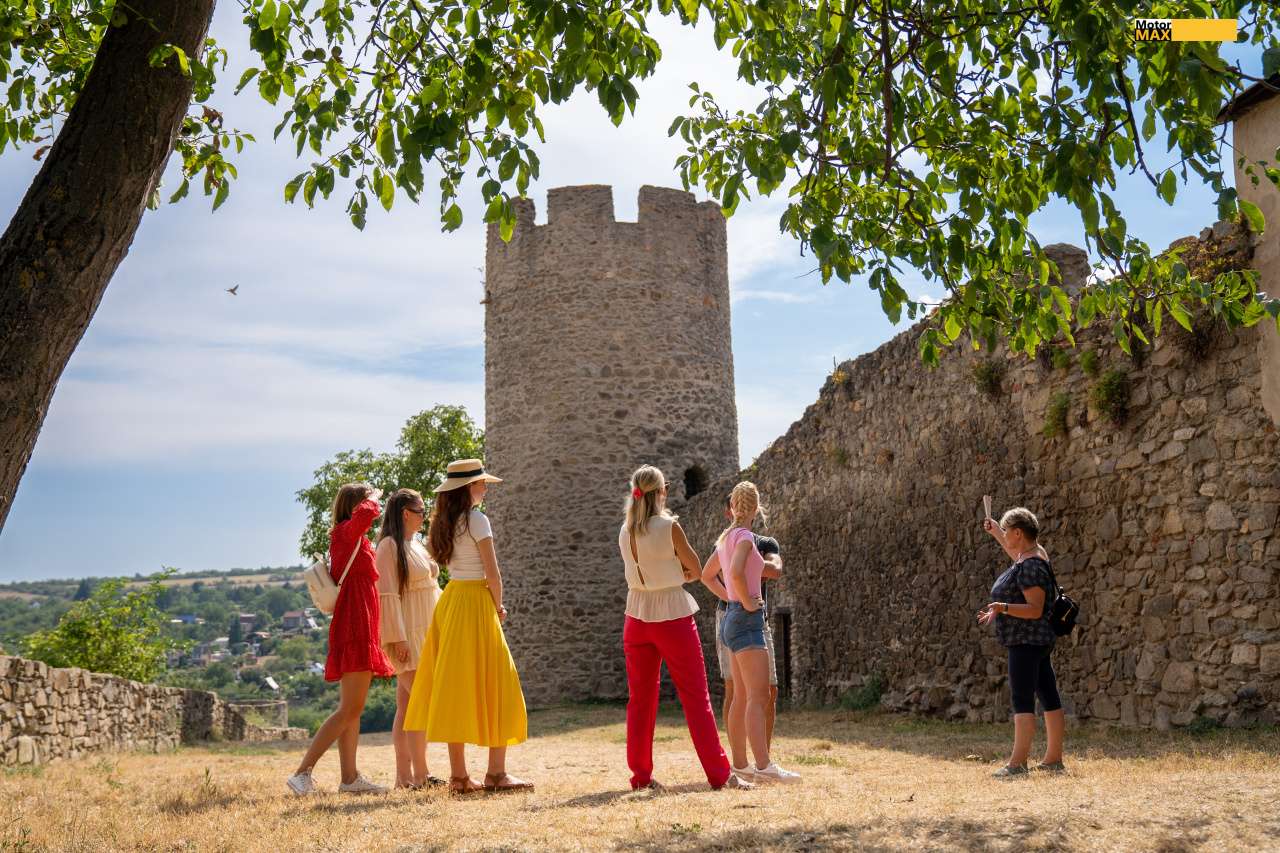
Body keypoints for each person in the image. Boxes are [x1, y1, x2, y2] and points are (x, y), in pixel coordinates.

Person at [404, 459, 533, 794]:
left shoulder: (444, 523)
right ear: (467, 489)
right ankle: (496, 773)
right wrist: (498, 605)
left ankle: (459, 776)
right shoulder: (477, 520)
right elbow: (492, 572)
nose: (485, 488)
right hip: (476, 601)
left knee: (453, 686)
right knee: (500, 682)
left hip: (452, 601)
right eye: (480, 483)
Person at [618, 465, 750, 792]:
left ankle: (641, 777)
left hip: (635, 618)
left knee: (640, 701)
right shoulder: (669, 527)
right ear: (661, 492)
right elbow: (694, 568)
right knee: (695, 698)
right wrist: (680, 575)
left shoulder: (625, 530)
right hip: (671, 616)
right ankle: (720, 774)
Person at [287, 484, 395, 795]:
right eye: (366, 501)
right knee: (349, 708)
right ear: (356, 505)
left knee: (353, 708)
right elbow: (368, 513)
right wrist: (373, 496)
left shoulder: (353, 538)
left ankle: (349, 778)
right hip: (355, 627)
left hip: (361, 626)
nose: (373, 505)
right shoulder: (344, 533)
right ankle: (302, 773)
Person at [701, 482, 800, 784]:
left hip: (732, 618)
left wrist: (732, 599)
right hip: (747, 619)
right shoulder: (744, 537)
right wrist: (744, 600)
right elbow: (733, 573)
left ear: (732, 507)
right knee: (757, 696)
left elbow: (708, 576)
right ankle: (764, 765)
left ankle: (741, 765)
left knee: (741, 695)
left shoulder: (725, 538)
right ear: (756, 508)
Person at [978, 506, 1066, 778]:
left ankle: (1017, 764)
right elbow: (1017, 555)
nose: (1005, 535)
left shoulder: (1030, 566)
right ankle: (1053, 759)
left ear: (1018, 532)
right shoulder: (1034, 556)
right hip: (1038, 640)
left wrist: (1002, 606)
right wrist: (996, 533)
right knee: (1048, 695)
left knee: (1022, 699)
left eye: (1007, 531)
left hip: (1026, 641)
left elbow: (1034, 608)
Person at [376, 488, 444, 789]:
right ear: (406, 513)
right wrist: (397, 639)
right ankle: (421, 775)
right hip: (407, 636)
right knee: (422, 703)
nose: (425, 516)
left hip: (428, 632)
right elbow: (387, 596)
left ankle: (403, 778)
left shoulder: (414, 544)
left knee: (406, 707)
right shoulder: (389, 547)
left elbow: (432, 588)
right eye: (420, 510)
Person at [714, 533, 782, 747]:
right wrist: (737, 598)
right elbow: (715, 575)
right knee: (734, 689)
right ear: (729, 511)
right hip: (730, 616)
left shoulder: (765, 542)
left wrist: (748, 563)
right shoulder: (725, 542)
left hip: (758, 620)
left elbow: (776, 569)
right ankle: (738, 758)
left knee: (770, 690)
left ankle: (764, 757)